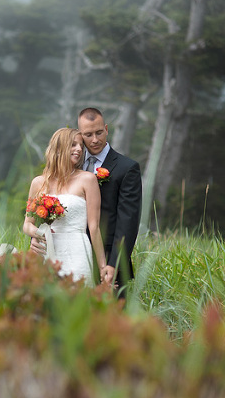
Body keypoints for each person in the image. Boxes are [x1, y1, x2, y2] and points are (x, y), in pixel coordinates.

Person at [30, 108, 142, 296]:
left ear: (106, 129)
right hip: (58, 251)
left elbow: (127, 222)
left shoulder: (126, 168)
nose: (95, 140)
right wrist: (36, 237)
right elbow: (44, 208)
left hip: (106, 257)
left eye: (99, 132)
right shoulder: (71, 161)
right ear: (80, 135)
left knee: (108, 320)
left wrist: (114, 263)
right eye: (88, 135)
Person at [22, 127, 114, 287]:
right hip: (45, 250)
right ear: (58, 148)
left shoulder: (88, 179)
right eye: (73, 145)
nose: (79, 149)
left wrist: (102, 266)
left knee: (77, 296)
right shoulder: (38, 182)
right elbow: (27, 224)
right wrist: (38, 235)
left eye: (80, 146)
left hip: (77, 250)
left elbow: (94, 227)